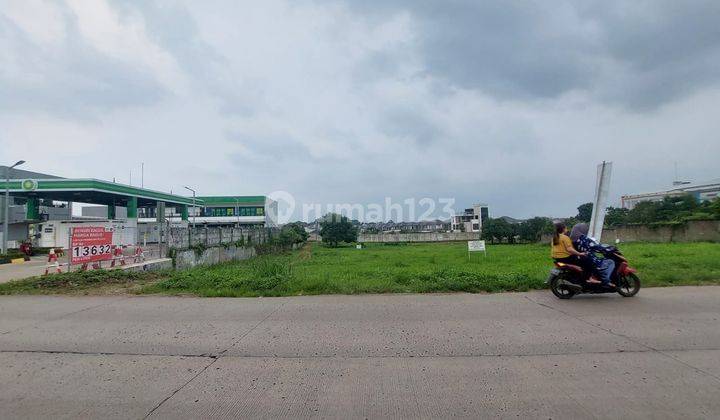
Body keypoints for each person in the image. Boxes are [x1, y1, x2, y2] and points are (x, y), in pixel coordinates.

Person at [570, 223, 616, 287]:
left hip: (580, 257)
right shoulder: (583, 238)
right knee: (610, 261)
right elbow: (594, 245)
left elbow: (590, 247)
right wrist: (605, 249)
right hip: (588, 257)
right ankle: (606, 280)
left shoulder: (573, 239)